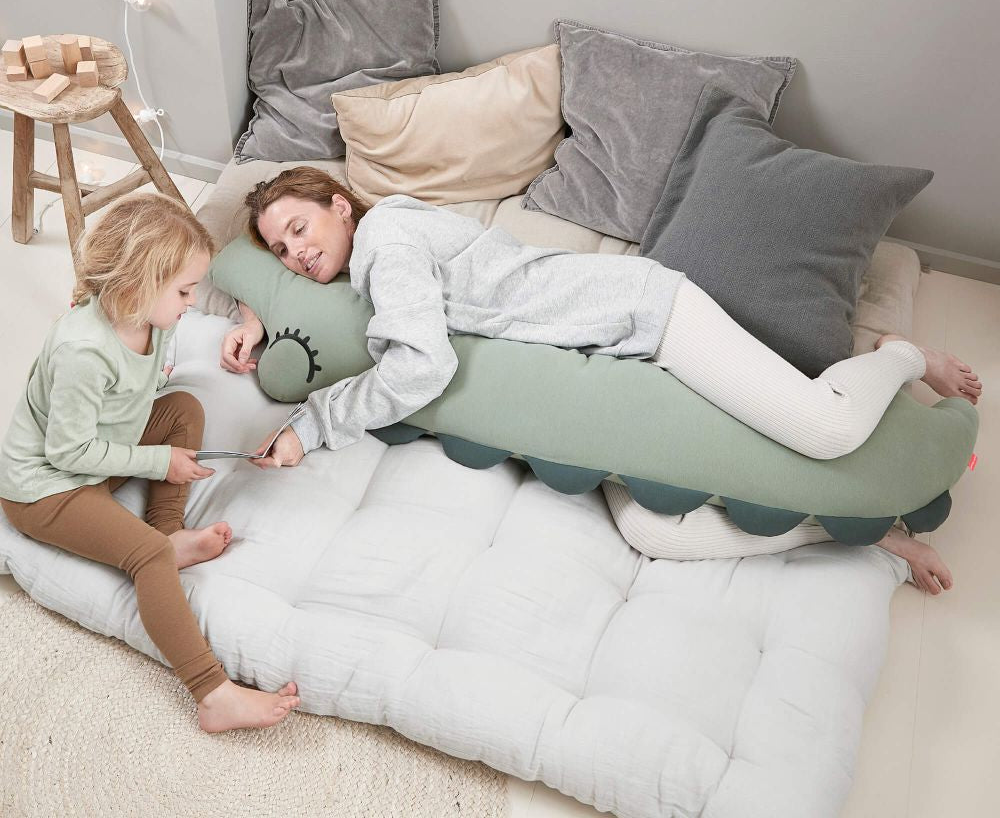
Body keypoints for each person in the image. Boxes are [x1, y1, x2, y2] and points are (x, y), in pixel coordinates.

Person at [221, 167, 981, 596]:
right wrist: (255, 310)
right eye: (281, 251)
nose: (295, 255)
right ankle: (867, 533)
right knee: (655, 531)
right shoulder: (366, 251)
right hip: (612, 378)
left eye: (300, 230)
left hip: (648, 317)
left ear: (340, 206)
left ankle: (902, 357)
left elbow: (422, 364)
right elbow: (262, 270)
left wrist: (312, 424)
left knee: (826, 428)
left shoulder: (387, 243)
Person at [0, 191, 300, 732]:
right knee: (148, 557)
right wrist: (159, 462)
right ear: (138, 284)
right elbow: (66, 451)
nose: (192, 302)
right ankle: (211, 693)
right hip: (48, 487)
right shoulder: (82, 351)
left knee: (184, 408)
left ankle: (169, 530)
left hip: (99, 452)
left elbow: (135, 397)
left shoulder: (155, 321)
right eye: (184, 291)